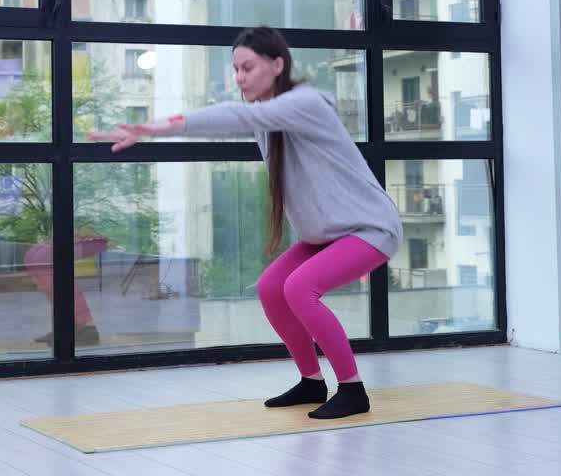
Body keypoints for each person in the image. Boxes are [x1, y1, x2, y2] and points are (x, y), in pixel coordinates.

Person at [89, 26, 402, 419]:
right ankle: (311, 381)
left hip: (369, 227)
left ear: (277, 64)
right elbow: (236, 118)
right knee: (272, 288)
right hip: (326, 234)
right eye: (235, 69)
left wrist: (160, 126)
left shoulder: (304, 102)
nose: (239, 78)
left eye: (248, 68)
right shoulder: (267, 116)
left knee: (301, 287)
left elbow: (234, 115)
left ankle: (353, 389)